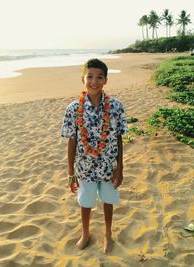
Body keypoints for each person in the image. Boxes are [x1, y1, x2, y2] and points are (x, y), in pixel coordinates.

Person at [61, 58, 127, 253]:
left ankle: (108, 233)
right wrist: (71, 171)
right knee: (86, 201)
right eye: (90, 76)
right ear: (83, 79)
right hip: (85, 167)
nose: (94, 81)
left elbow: (119, 137)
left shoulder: (116, 106)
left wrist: (120, 167)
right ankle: (86, 233)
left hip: (108, 167)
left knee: (108, 199)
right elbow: (72, 140)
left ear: (106, 80)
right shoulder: (73, 109)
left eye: (99, 77)